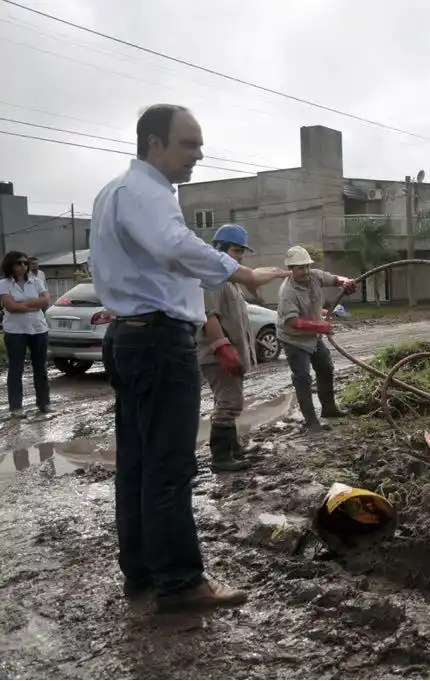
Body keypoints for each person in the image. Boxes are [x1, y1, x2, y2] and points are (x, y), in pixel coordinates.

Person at [91, 104, 290, 613]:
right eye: (188, 143)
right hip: (158, 341)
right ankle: (179, 582)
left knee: (138, 464)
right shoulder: (147, 192)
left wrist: (223, 271)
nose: (198, 154)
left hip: (131, 335)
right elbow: (176, 246)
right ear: (154, 144)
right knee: (169, 466)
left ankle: (143, 575)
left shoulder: (115, 191)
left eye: (199, 144)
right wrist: (243, 272)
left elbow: (168, 258)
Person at [199, 223, 261, 473]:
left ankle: (233, 448)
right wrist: (222, 348)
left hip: (229, 353)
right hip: (218, 356)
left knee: (229, 400)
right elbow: (208, 316)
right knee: (229, 403)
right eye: (236, 251)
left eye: (241, 252)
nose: (240, 257)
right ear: (220, 249)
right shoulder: (212, 278)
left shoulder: (229, 279)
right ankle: (221, 458)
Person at [276, 245, 356, 432]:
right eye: (300, 267)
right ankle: (311, 421)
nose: (305, 271)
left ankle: (329, 409)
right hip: (294, 339)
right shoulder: (287, 292)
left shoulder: (315, 276)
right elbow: (293, 322)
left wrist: (345, 282)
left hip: (313, 335)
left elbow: (334, 279)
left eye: (307, 266)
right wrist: (321, 326)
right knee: (303, 377)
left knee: (325, 367)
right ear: (291, 269)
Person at [0, 250, 52, 416]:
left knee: (40, 368)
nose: (23, 266)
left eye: (25, 263)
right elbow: (10, 306)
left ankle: (44, 403)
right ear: (10, 265)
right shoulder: (4, 284)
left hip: (38, 329)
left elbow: (45, 301)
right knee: (16, 368)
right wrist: (34, 304)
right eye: (18, 263)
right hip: (15, 331)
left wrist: (21, 304)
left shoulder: (36, 281)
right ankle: (16, 407)